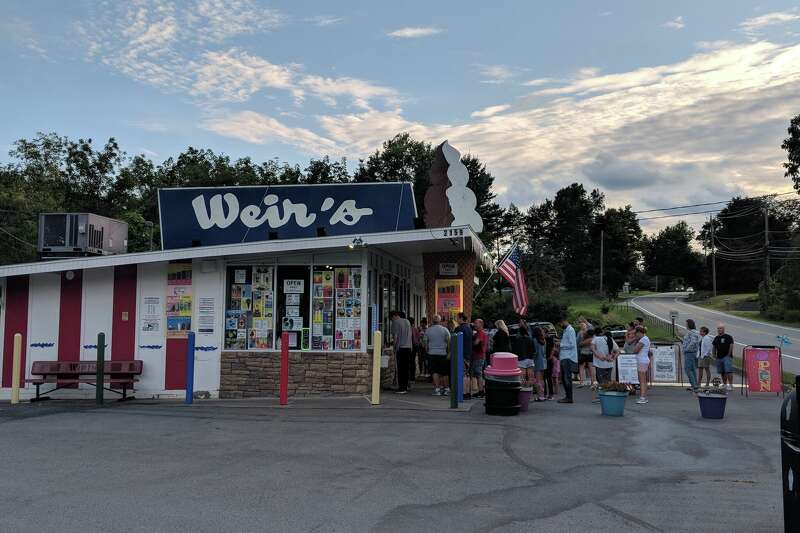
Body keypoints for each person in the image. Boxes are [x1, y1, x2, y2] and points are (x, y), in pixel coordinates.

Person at [424, 314, 451, 396]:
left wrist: (427, 351)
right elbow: (449, 342)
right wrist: (449, 352)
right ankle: (446, 389)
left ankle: (437, 389)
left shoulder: (428, 330)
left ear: (432, 321)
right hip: (443, 353)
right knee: (444, 372)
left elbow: (425, 343)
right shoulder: (445, 330)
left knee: (434, 372)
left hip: (432, 353)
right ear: (440, 321)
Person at [590, 326, 618, 403]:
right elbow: (617, 351)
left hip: (600, 364)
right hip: (610, 364)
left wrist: (599, 356)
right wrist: (613, 358)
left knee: (601, 381)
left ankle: (601, 397)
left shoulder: (595, 339)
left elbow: (592, 348)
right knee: (608, 381)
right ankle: (608, 396)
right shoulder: (610, 339)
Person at [390, 310, 413, 394]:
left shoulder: (396, 322)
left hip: (401, 348)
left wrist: (394, 347)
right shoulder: (407, 321)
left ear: (394, 316)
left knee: (401, 368)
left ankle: (402, 388)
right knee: (406, 368)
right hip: (408, 347)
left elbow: (395, 337)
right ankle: (406, 386)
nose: (391, 320)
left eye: (391, 318)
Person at [557, 317, 578, 404]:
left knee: (567, 378)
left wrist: (560, 344)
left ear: (564, 321)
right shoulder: (566, 330)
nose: (560, 325)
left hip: (568, 357)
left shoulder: (570, 330)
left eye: (560, 323)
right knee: (564, 378)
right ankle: (567, 396)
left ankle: (569, 397)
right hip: (564, 357)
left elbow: (572, 344)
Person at [454, 312, 474, 399]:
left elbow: (454, 342)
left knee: (462, 374)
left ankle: (463, 393)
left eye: (457, 318)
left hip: (461, 354)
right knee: (467, 374)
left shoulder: (458, 329)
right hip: (468, 354)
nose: (456, 320)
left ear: (461, 318)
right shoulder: (469, 329)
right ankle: (468, 392)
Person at [512, 320, 535, 388]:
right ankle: (529, 390)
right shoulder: (530, 339)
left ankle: (523, 390)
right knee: (530, 376)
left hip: (521, 359)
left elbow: (514, 350)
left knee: (522, 377)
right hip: (530, 359)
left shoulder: (517, 339)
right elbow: (533, 350)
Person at [712, 324, 735, 390]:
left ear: (724, 329)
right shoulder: (716, 338)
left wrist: (728, 354)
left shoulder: (728, 337)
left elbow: (731, 345)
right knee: (722, 371)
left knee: (728, 371)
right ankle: (725, 384)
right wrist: (713, 354)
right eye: (718, 328)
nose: (719, 330)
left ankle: (731, 385)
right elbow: (714, 346)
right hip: (719, 357)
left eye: (721, 328)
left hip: (727, 357)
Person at [632, 325, 651, 404]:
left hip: (642, 361)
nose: (635, 335)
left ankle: (643, 397)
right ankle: (643, 396)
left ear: (639, 332)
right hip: (643, 360)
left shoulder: (643, 339)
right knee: (642, 380)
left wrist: (636, 341)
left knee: (642, 381)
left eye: (636, 333)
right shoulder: (645, 338)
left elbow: (635, 350)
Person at [681, 319, 701, 392]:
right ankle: (694, 385)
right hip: (693, 352)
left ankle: (694, 385)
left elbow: (693, 342)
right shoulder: (694, 332)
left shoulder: (691, 332)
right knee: (692, 369)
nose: (685, 325)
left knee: (688, 369)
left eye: (686, 324)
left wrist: (686, 349)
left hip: (689, 353)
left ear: (689, 324)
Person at [471, 318, 488, 398]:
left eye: (476, 323)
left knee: (478, 374)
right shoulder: (477, 333)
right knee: (478, 374)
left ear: (481, 324)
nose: (474, 324)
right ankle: (480, 390)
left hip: (479, 356)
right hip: (478, 356)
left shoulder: (480, 333)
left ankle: (481, 391)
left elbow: (476, 343)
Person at [577, 318, 594, 387]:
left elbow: (577, 342)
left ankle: (581, 382)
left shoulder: (580, 333)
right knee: (591, 368)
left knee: (581, 368)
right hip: (590, 352)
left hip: (583, 352)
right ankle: (593, 382)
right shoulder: (590, 332)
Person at [532, 326, 548, 401]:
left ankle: (540, 396)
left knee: (537, 380)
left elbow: (535, 352)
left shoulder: (535, 340)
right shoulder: (543, 340)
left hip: (537, 362)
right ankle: (543, 394)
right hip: (543, 361)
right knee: (542, 380)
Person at [409, 316, 418, 385]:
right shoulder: (415, 329)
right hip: (415, 346)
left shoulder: (409, 329)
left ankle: (411, 377)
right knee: (412, 361)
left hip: (410, 346)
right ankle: (412, 377)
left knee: (410, 362)